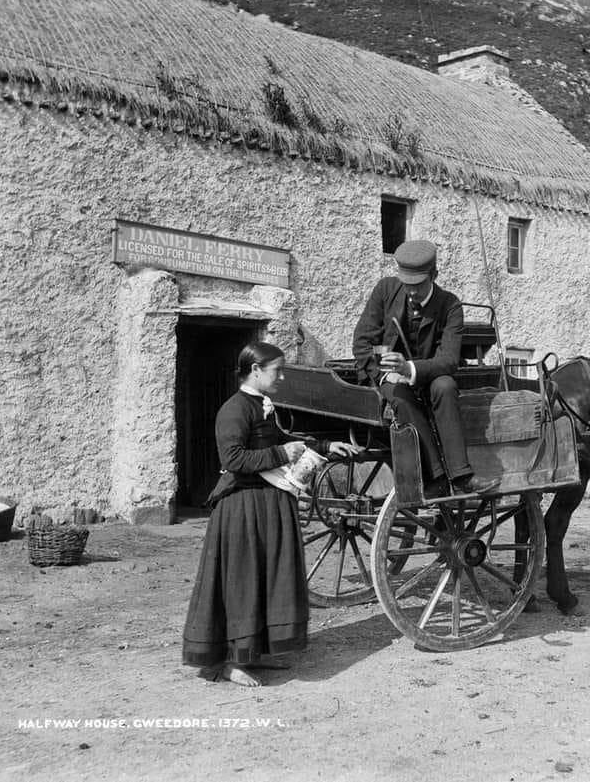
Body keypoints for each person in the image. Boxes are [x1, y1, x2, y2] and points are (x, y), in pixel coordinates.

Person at [182, 342, 359, 686]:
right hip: (242, 508)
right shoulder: (234, 410)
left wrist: (324, 447)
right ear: (255, 371)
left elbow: (284, 439)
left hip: (264, 504)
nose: (281, 376)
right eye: (276, 371)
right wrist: (281, 452)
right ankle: (229, 663)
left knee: (263, 578)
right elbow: (233, 460)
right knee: (242, 582)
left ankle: (252, 654)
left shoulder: (263, 406)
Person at [352, 240, 496, 497]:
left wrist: (409, 368)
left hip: (428, 375)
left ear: (434, 275)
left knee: (446, 386)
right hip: (388, 375)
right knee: (400, 396)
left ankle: (462, 476)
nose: (410, 292)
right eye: (406, 283)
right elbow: (363, 342)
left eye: (417, 285)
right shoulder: (385, 290)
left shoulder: (450, 305)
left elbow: (449, 360)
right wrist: (385, 365)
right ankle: (436, 478)